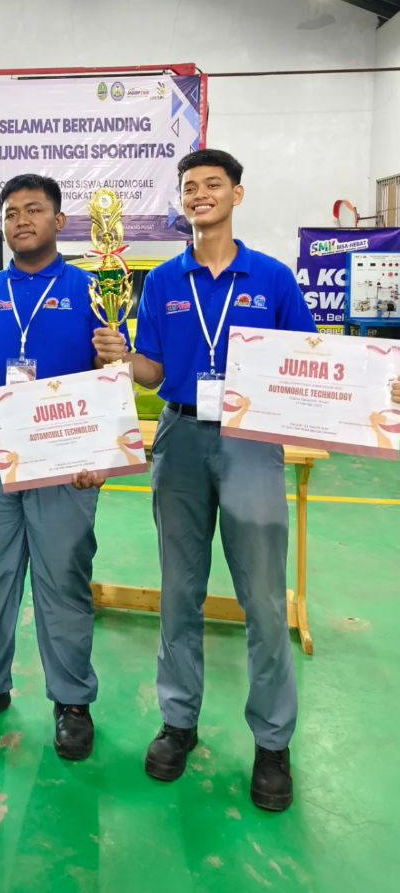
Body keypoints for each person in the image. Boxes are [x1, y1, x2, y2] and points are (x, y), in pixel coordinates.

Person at [122, 149, 317, 811]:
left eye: (213, 184)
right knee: (179, 591)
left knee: (263, 598)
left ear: (237, 193)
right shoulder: (160, 281)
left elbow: (313, 359)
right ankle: (178, 721)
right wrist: (123, 357)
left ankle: (272, 741)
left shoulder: (272, 278)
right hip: (179, 435)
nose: (200, 194)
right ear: (181, 200)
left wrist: (375, 386)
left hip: (250, 440)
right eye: (190, 187)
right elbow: (153, 371)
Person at [0, 174, 128, 761]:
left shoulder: (93, 289)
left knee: (63, 583)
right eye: (11, 213)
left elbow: (109, 375)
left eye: (34, 210)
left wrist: (104, 453)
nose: (21, 221)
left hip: (64, 464)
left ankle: (72, 701)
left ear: (58, 221)